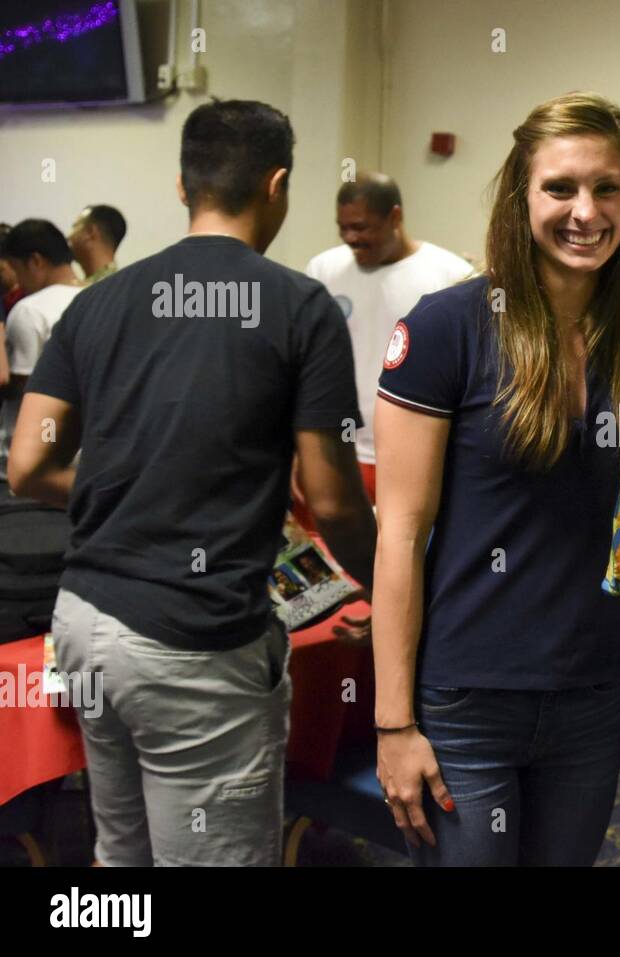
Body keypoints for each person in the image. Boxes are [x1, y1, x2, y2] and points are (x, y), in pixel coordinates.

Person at [7, 99, 377, 867]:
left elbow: (30, 465)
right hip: (193, 641)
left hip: (81, 626)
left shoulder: (94, 301)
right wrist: (394, 581)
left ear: (183, 187)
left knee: (121, 856)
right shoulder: (299, 306)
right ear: (278, 185)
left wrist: (133, 485)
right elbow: (333, 497)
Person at [371, 91, 620, 866]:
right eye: (560, 188)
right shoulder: (446, 327)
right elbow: (399, 533)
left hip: (597, 688)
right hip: (469, 695)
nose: (586, 211)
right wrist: (393, 722)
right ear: (521, 198)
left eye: (608, 189)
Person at [305, 174, 473, 500]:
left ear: (395, 216)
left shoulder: (450, 276)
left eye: (361, 227)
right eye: (343, 227)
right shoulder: (323, 270)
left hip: (414, 458)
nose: (350, 238)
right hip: (339, 453)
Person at [0, 220, 81, 481]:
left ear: (35, 261)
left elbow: (26, 386)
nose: (18, 283)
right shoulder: (99, 299)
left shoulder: (29, 309)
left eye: (16, 269)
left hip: (28, 455)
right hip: (80, 452)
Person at [68, 205, 127, 284]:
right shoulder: (121, 285)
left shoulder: (105, 287)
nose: (69, 236)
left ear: (90, 232)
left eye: (75, 227)